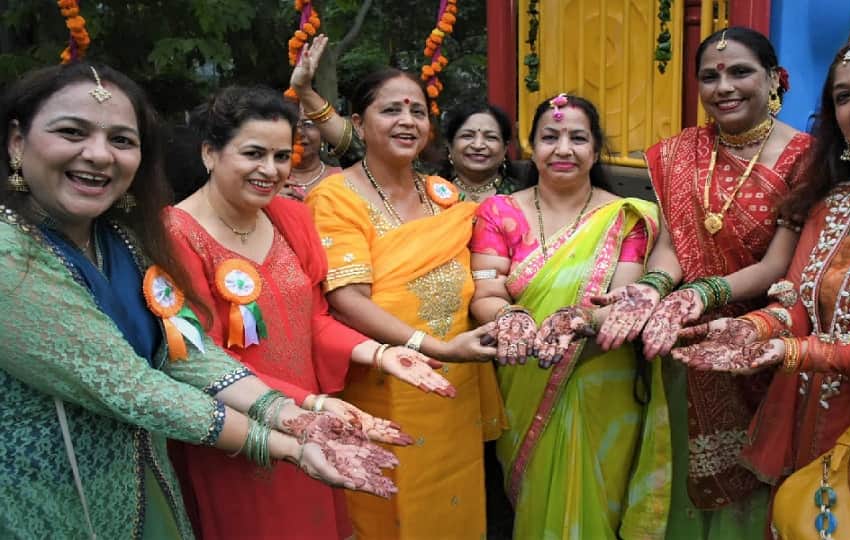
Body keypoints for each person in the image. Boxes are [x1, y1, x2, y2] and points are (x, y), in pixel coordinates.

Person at [0, 62, 402, 538]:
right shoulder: (11, 255)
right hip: (49, 507)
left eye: (122, 140)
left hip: (145, 489)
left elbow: (186, 349)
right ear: (17, 142)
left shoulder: (122, 242)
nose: (99, 155)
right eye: (72, 132)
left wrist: (292, 414)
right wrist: (288, 441)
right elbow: (132, 388)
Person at [672, 35, 850, 531]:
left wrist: (797, 355)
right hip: (812, 427)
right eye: (844, 96)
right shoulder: (833, 202)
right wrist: (758, 328)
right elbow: (802, 305)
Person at [165, 85, 458, 539]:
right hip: (239, 431)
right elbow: (203, 360)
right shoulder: (176, 235)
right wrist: (308, 406)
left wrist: (380, 354)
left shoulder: (290, 217)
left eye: (281, 156)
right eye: (254, 154)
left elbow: (315, 320)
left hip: (317, 422)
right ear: (210, 153)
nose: (270, 170)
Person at [594, 27, 812, 538]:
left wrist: (701, 291)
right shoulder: (680, 154)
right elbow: (671, 247)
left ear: (774, 79)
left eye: (740, 72)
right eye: (710, 76)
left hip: (765, 342)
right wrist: (651, 287)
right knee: (688, 481)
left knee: (762, 481)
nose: (724, 86)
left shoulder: (806, 158)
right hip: (688, 342)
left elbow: (779, 265)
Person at [306, 64, 506, 539]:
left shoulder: (443, 196)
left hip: (458, 379)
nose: (407, 120)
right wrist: (430, 346)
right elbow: (347, 300)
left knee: (455, 498)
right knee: (390, 507)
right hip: (383, 381)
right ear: (357, 123)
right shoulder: (336, 196)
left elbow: (480, 277)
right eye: (391, 108)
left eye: (417, 110)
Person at [469, 93, 660, 539]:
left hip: (601, 377)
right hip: (523, 375)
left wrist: (577, 323)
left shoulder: (625, 216)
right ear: (530, 146)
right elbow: (487, 292)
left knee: (598, 506)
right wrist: (511, 320)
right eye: (550, 137)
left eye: (578, 138)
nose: (563, 149)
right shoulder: (500, 212)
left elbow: (619, 300)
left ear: (595, 150)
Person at [285, 36, 524, 204]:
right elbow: (350, 139)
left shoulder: (526, 191)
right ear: (449, 144)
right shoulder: (429, 182)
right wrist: (304, 90)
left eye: (491, 137)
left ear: (506, 147)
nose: (478, 145)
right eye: (467, 135)